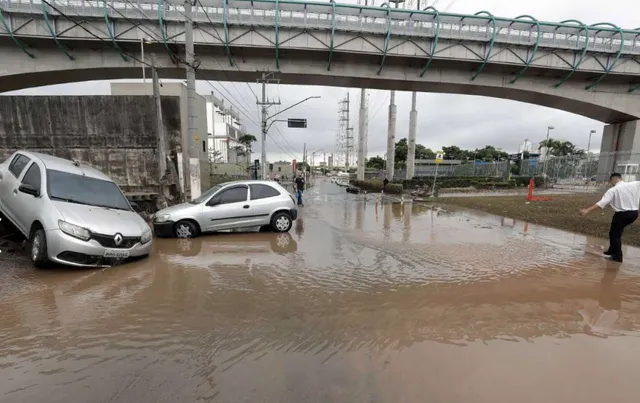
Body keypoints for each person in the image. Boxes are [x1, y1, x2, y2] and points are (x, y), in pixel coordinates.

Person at [580, 173, 640, 262]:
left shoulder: (613, 190)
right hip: (634, 213)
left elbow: (601, 203)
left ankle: (617, 256)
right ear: (621, 178)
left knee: (616, 235)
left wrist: (587, 210)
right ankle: (612, 250)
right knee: (614, 232)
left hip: (621, 214)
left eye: (611, 182)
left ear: (613, 180)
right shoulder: (635, 184)